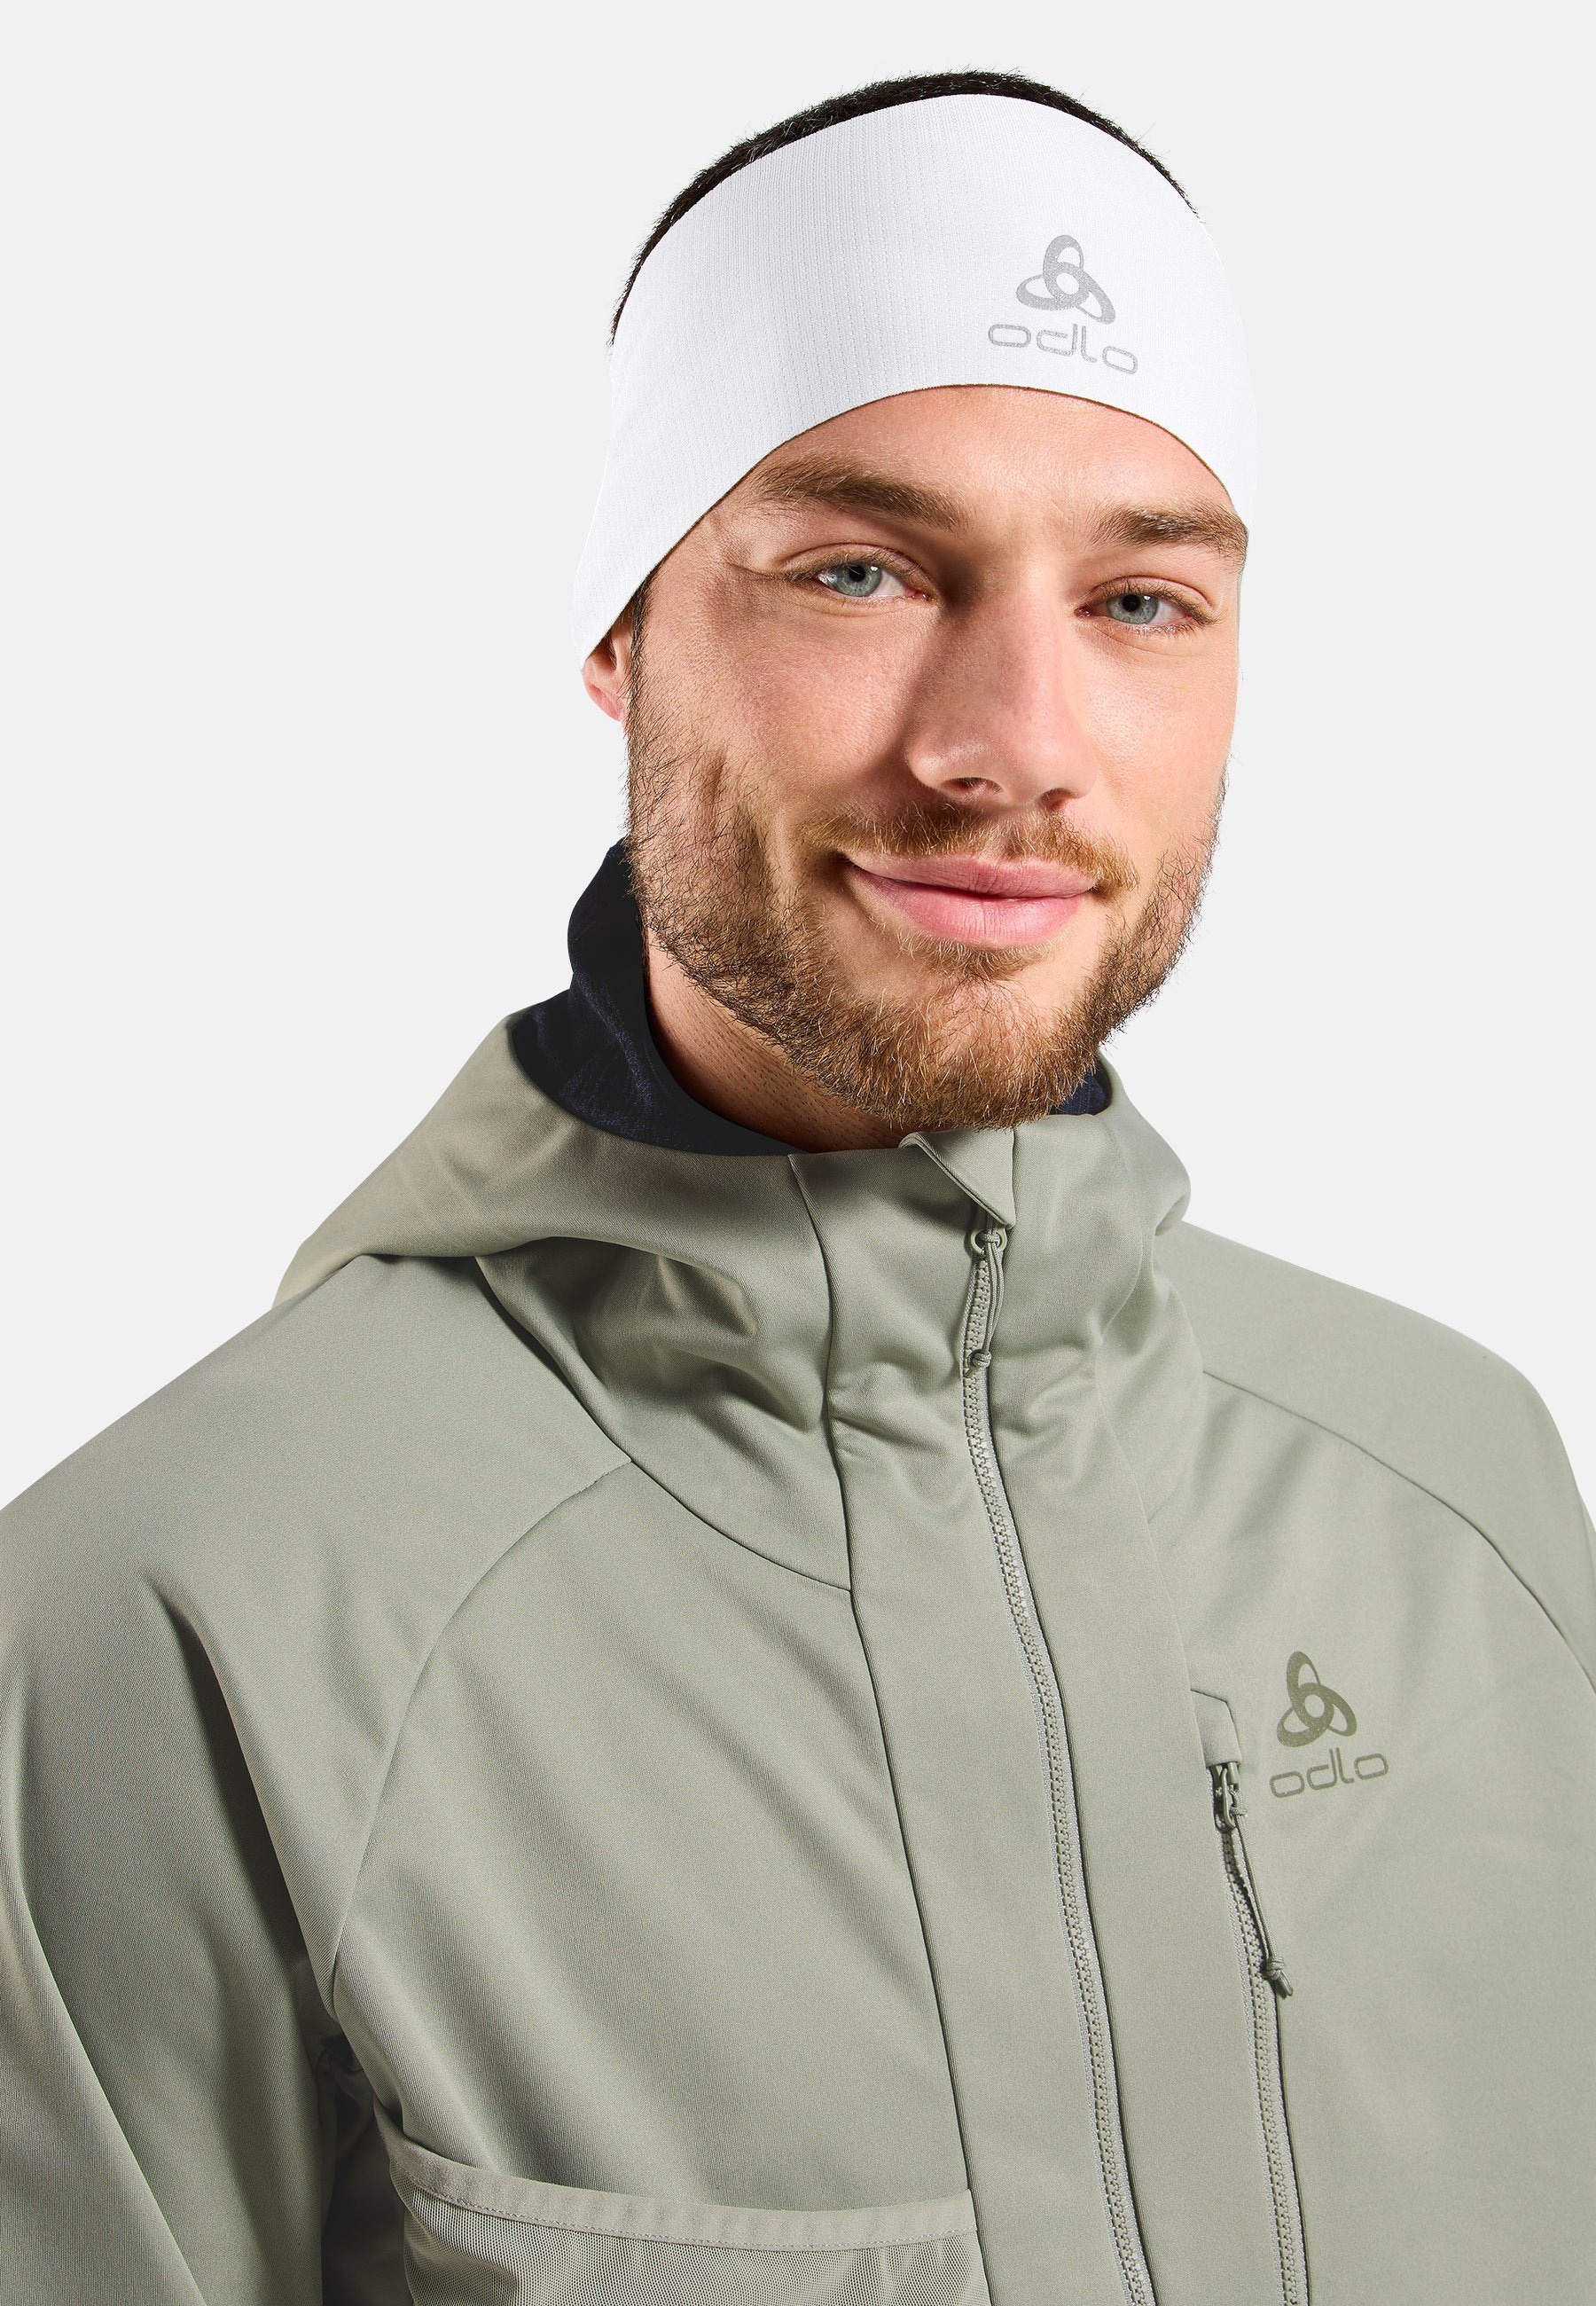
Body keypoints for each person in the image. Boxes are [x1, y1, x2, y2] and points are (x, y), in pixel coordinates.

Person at [2, 67, 1592, 2306]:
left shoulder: (1467, 1487)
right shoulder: (182, 1619)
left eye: (1143, 599)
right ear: (623, 635)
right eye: (861, 570)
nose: (1012, 743)